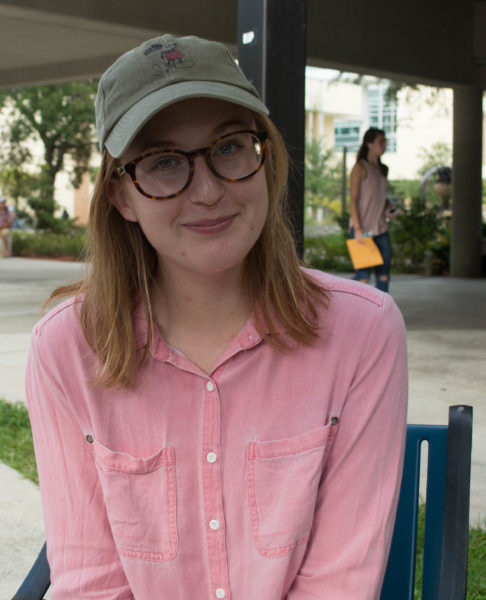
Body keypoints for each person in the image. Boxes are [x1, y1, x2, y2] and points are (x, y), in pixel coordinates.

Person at [26, 34, 408, 600]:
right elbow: (91, 584)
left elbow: (339, 584)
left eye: (229, 147)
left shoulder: (361, 332)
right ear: (121, 196)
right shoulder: (65, 350)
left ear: (265, 158)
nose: (207, 191)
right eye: (163, 162)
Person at [349, 127, 397, 293]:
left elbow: (379, 197)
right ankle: (358, 310)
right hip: (363, 231)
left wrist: (389, 207)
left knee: (384, 275)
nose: (384, 145)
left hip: (381, 229)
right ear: (369, 144)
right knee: (363, 278)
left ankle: (383, 315)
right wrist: (358, 229)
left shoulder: (383, 170)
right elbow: (353, 199)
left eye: (385, 142)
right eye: (380, 142)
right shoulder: (360, 168)